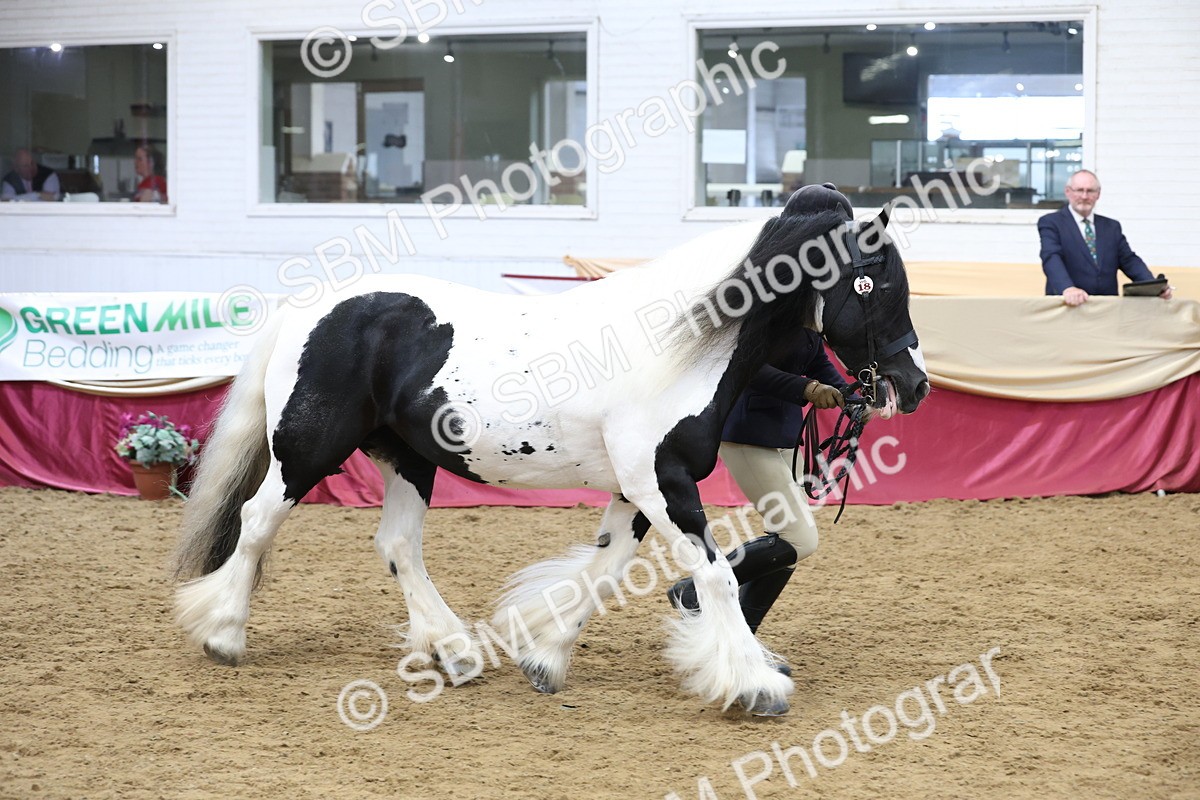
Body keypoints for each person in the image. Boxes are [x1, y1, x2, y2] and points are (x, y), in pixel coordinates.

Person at [667, 184, 868, 661]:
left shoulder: (805, 294)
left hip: (778, 437)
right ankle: (696, 593)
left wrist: (850, 394)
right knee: (800, 538)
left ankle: (740, 635)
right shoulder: (763, 293)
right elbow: (748, 368)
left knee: (788, 543)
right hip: (747, 434)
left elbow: (815, 358)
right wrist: (806, 391)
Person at [1039, 170, 1171, 305]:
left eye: (1090, 191)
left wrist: (1153, 287)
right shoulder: (1051, 223)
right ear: (1068, 192)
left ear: (1098, 194)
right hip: (1069, 306)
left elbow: (1129, 260)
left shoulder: (1111, 227)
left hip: (1106, 308)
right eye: (1079, 190)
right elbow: (1051, 258)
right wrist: (1067, 288)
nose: (1084, 196)